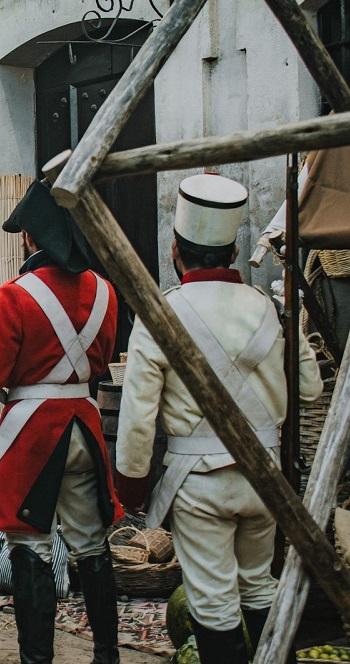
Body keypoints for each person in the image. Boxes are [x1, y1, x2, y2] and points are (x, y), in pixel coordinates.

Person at [115, 174, 323, 663]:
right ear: (232, 253)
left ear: (175, 250)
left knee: (212, 600)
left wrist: (131, 484)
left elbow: (138, 414)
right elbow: (311, 388)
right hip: (265, 479)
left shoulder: (160, 313)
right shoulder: (268, 307)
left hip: (200, 483)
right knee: (259, 585)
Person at [0, 180, 121, 664]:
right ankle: (106, 655)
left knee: (30, 545)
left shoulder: (14, 295)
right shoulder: (105, 291)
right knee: (92, 545)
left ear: (30, 237)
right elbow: (101, 362)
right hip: (84, 425)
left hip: (34, 435)